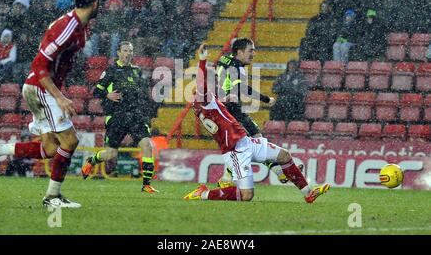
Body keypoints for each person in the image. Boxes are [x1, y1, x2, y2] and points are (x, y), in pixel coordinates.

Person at [0, 0, 101, 208]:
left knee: (50, 149)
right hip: (41, 87)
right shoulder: (69, 26)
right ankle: (52, 197)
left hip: (39, 86)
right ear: (94, 3)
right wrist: (60, 97)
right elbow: (38, 64)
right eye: (99, 3)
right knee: (70, 140)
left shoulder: (77, 26)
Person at [183, 44, 330, 203]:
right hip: (236, 152)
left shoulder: (206, 103)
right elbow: (202, 82)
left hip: (246, 142)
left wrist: (225, 99)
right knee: (247, 195)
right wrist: (203, 61)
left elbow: (217, 107)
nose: (216, 81)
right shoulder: (204, 98)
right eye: (213, 80)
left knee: (284, 155)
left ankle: (308, 193)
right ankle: (204, 194)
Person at [81, 41, 159, 193]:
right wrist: (107, 95)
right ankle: (91, 161)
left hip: (136, 116)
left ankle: (146, 185)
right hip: (117, 116)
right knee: (111, 153)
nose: (128, 53)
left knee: (147, 145)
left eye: (130, 51)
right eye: (125, 50)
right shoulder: (111, 70)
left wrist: (144, 110)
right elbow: (96, 91)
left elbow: (142, 94)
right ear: (118, 52)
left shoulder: (137, 71)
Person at [216, 38, 275, 185]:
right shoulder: (238, 66)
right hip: (231, 108)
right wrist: (266, 99)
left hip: (221, 106)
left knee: (241, 144)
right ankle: (277, 168)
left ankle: (226, 179)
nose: (253, 54)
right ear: (240, 52)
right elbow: (243, 89)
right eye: (250, 50)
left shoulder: (225, 58)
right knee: (255, 137)